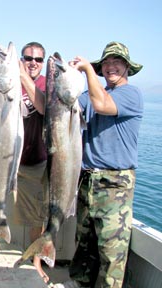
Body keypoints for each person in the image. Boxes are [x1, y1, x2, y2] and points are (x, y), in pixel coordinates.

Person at [53, 42, 143, 288]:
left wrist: (87, 71)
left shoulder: (130, 94)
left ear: (127, 67)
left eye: (117, 62)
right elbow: (58, 106)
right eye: (105, 63)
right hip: (86, 179)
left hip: (115, 183)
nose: (110, 67)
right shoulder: (88, 97)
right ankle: (80, 283)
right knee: (85, 242)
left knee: (111, 250)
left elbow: (103, 105)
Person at [0, 42, 50, 282]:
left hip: (33, 161)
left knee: (36, 217)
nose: (32, 63)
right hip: (2, 156)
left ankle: (36, 261)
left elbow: (44, 107)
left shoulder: (46, 83)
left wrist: (21, 75)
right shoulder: (6, 84)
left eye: (37, 59)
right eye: (28, 58)